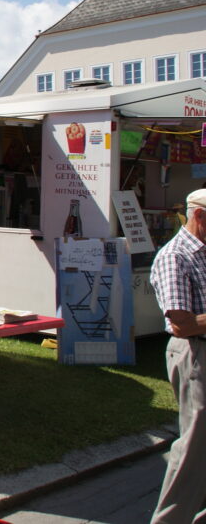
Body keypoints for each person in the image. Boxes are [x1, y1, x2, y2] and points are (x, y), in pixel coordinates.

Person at [150, 188, 206, 524]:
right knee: (194, 446)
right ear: (199, 216)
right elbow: (181, 324)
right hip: (195, 354)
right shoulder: (175, 255)